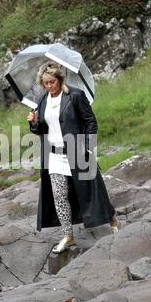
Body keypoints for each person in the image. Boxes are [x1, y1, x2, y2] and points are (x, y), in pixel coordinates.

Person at [27, 61, 118, 253]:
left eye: (52, 82)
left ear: (60, 80)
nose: (49, 86)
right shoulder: (43, 101)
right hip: (54, 156)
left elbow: (90, 122)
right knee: (59, 196)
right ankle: (68, 236)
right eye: (45, 83)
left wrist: (88, 147)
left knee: (91, 189)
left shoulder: (75, 95)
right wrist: (34, 123)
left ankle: (111, 218)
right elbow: (42, 130)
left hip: (77, 152)